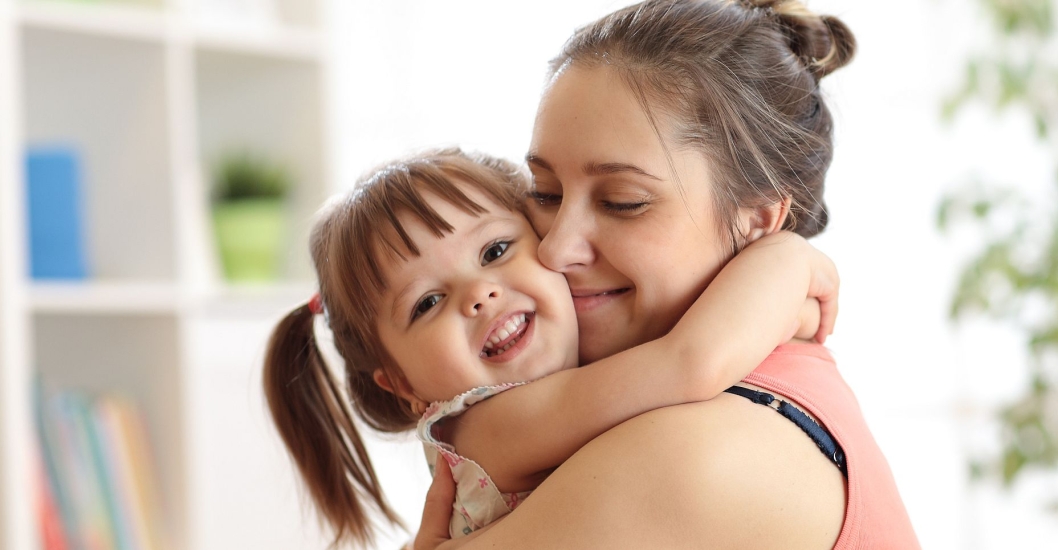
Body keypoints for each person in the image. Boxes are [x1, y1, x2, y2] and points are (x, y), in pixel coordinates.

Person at [413, 0, 921, 548]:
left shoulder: (686, 459)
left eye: (623, 202)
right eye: (544, 193)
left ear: (758, 222)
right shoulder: (769, 376)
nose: (556, 249)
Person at [261, 149, 840, 546]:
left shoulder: (590, 382)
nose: (479, 294)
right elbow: (689, 362)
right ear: (404, 384)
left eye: (493, 252)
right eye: (427, 304)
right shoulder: (483, 428)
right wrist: (784, 261)